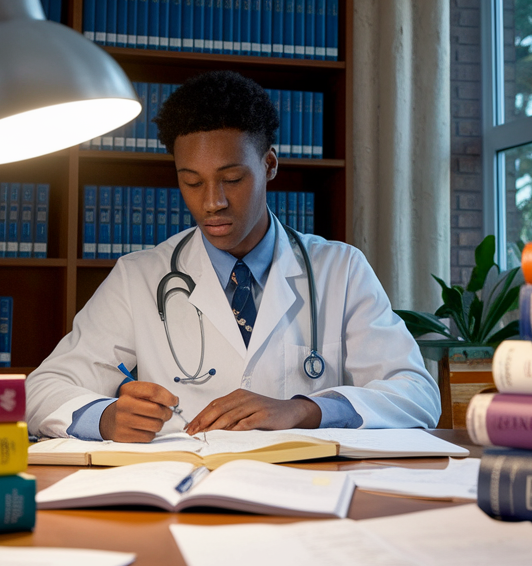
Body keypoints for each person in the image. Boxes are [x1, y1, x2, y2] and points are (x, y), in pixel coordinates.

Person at [26, 71, 441, 441]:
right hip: (182, 493)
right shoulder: (140, 276)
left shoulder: (340, 269)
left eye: (232, 179)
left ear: (270, 166)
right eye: (191, 182)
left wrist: (305, 409)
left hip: (304, 492)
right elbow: (42, 390)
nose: (212, 202)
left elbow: (416, 393)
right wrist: (106, 418)